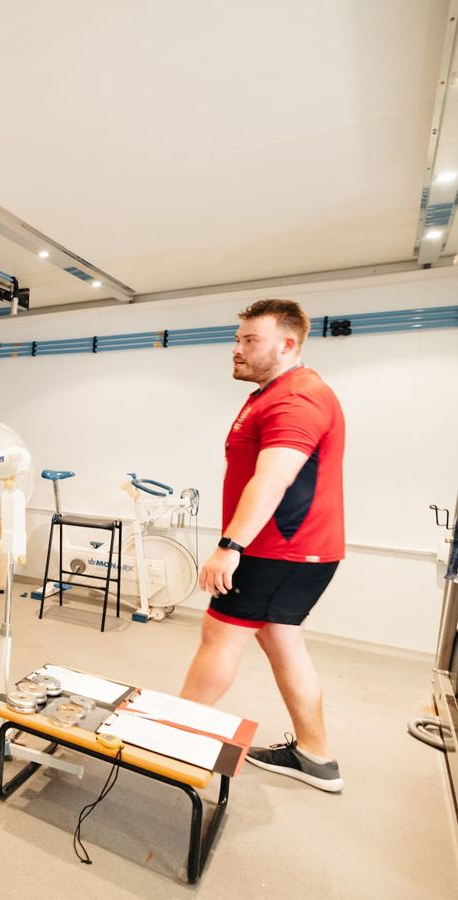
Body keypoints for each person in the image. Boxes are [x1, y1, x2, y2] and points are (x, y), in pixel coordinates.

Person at [178, 298, 346, 792]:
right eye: (238, 339)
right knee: (282, 642)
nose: (237, 349)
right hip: (296, 550)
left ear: (287, 344)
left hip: (277, 550)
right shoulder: (273, 392)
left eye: (251, 340)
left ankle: (173, 736)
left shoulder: (297, 398)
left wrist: (230, 546)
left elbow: (273, 479)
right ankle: (317, 756)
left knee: (220, 636)